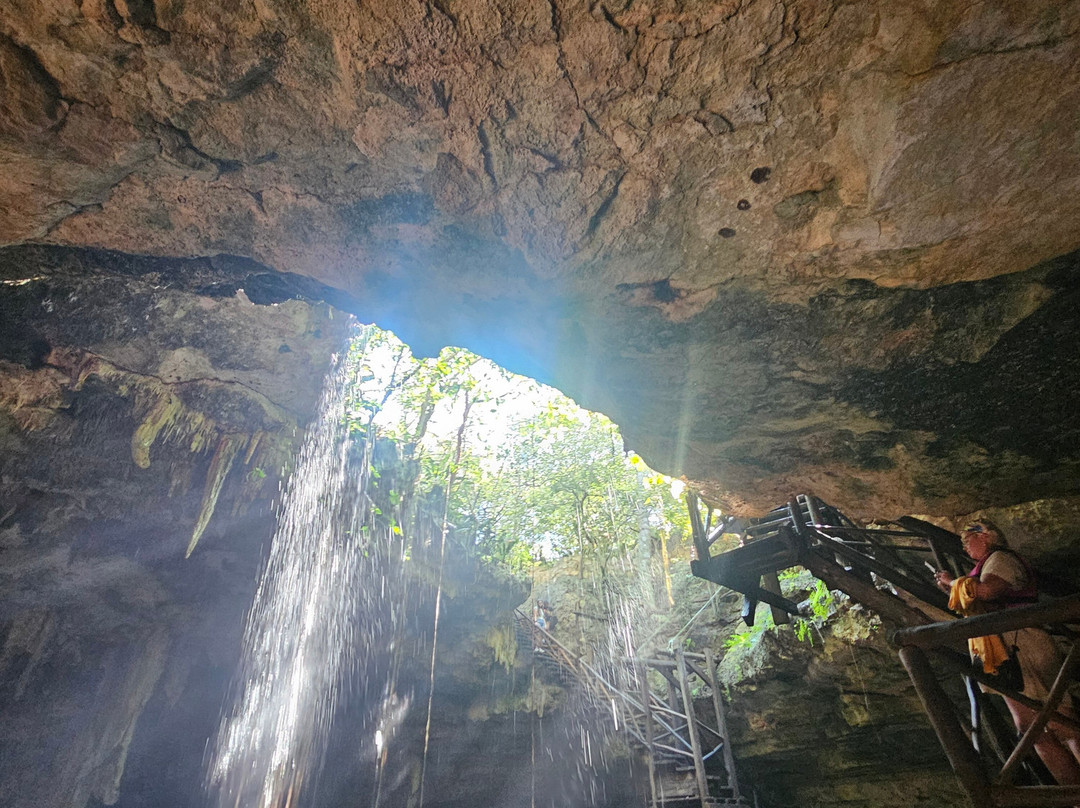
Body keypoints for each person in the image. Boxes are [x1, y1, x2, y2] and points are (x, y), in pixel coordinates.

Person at [935, 519, 1080, 784]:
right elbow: (976, 597)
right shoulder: (986, 565)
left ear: (985, 536)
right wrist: (952, 588)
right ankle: (1073, 792)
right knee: (1031, 731)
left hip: (1023, 643)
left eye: (968, 540)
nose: (965, 547)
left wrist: (953, 581)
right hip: (1002, 652)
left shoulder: (1001, 559)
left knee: (1060, 719)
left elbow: (988, 591)